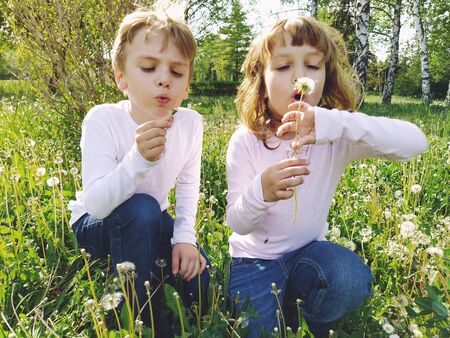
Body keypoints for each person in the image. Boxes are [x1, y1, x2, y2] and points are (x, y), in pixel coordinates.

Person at [226, 16, 427, 337]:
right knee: (259, 333)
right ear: (260, 80)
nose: (299, 76)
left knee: (348, 277)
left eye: (313, 66)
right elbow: (238, 222)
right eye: (282, 67)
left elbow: (415, 142)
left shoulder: (332, 136)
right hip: (255, 262)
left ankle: (311, 318)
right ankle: (289, 310)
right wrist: (260, 192)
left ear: (327, 77)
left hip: (308, 254)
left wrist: (334, 123)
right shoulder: (246, 140)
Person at [68, 4, 209, 334]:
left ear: (187, 85)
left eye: (176, 72)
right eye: (148, 68)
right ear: (121, 77)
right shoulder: (103, 119)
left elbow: (189, 183)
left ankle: (154, 274)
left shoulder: (190, 124)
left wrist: (185, 238)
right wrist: (138, 160)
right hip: (96, 224)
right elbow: (98, 203)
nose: (163, 80)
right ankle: (138, 317)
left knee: (199, 281)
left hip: (151, 221)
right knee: (143, 209)